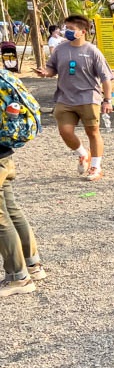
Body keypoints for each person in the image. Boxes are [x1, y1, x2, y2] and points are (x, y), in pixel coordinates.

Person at [33, 14, 114, 182]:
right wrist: (45, 73)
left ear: (83, 31)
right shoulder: (61, 49)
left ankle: (96, 167)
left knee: (92, 132)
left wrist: (107, 100)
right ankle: (83, 154)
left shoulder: (92, 51)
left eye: (71, 29)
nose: (66, 31)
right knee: (65, 131)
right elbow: (51, 68)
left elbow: (106, 78)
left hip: (88, 98)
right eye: (65, 28)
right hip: (65, 98)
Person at [0, 76, 45, 297]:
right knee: (11, 209)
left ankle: (18, 277)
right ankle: (33, 265)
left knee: (0, 218)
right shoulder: (4, 76)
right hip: (5, 154)